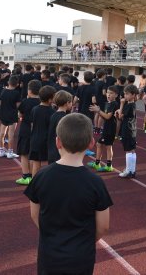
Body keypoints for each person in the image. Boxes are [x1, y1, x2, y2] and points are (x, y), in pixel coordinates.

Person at [24, 113, 112, 275]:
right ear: (91, 143)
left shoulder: (41, 176)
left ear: (58, 142)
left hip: (49, 254)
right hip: (81, 257)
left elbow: (34, 215)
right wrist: (83, 241)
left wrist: (52, 235)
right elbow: (103, 226)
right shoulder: (95, 183)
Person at [14, 80, 42, 185]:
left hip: (25, 130)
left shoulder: (25, 102)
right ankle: (34, 176)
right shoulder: (41, 102)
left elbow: (19, 115)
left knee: (24, 153)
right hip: (37, 131)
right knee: (34, 155)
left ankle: (26, 176)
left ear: (29, 91)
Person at [88, 86, 119, 172]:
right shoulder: (107, 103)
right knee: (107, 146)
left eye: (111, 93)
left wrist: (98, 111)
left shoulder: (114, 104)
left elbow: (108, 116)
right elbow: (104, 116)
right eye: (108, 93)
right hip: (107, 128)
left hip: (110, 129)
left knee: (100, 144)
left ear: (116, 95)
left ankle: (99, 164)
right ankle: (106, 165)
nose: (108, 95)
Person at [117, 84, 140, 178]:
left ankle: (129, 171)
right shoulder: (132, 105)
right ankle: (132, 170)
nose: (125, 96)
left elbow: (120, 116)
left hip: (127, 129)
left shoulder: (129, 105)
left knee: (128, 150)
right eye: (124, 94)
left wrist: (121, 104)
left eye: (127, 94)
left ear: (133, 95)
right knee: (132, 150)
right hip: (132, 129)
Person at [0, 75, 22, 159]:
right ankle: (10, 151)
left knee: (2, 133)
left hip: (3, 114)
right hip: (12, 115)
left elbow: (0, 103)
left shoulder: (3, 91)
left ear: (8, 82)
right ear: (17, 84)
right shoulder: (16, 93)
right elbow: (18, 105)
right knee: (10, 134)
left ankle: (1, 150)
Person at [47, 90, 72, 164]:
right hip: (60, 151)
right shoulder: (65, 118)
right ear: (67, 103)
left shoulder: (53, 115)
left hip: (51, 149)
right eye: (70, 102)